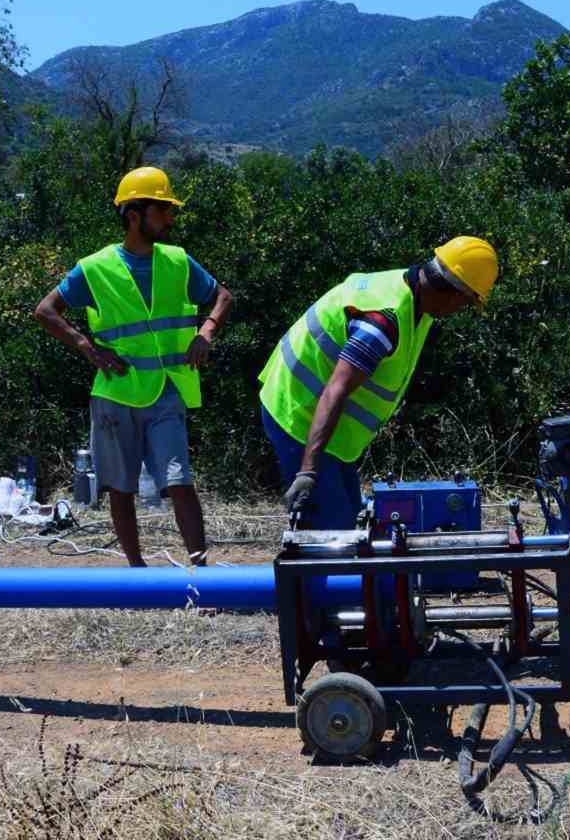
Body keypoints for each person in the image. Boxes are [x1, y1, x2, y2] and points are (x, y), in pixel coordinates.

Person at [33, 166, 233, 567]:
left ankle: (201, 572)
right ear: (134, 214)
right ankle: (137, 573)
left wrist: (206, 332)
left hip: (166, 390)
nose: (171, 219)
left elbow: (223, 297)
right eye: (163, 210)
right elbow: (45, 310)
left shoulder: (178, 261)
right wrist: (87, 348)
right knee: (121, 489)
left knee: (179, 482)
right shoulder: (95, 267)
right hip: (116, 394)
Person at [258, 237, 499, 528]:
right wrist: (308, 471)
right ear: (449, 291)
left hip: (327, 424)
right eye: (465, 302)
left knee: (348, 516)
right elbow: (336, 390)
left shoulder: (414, 295)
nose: (460, 310)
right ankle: (313, 572)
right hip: (298, 412)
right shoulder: (383, 322)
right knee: (331, 532)